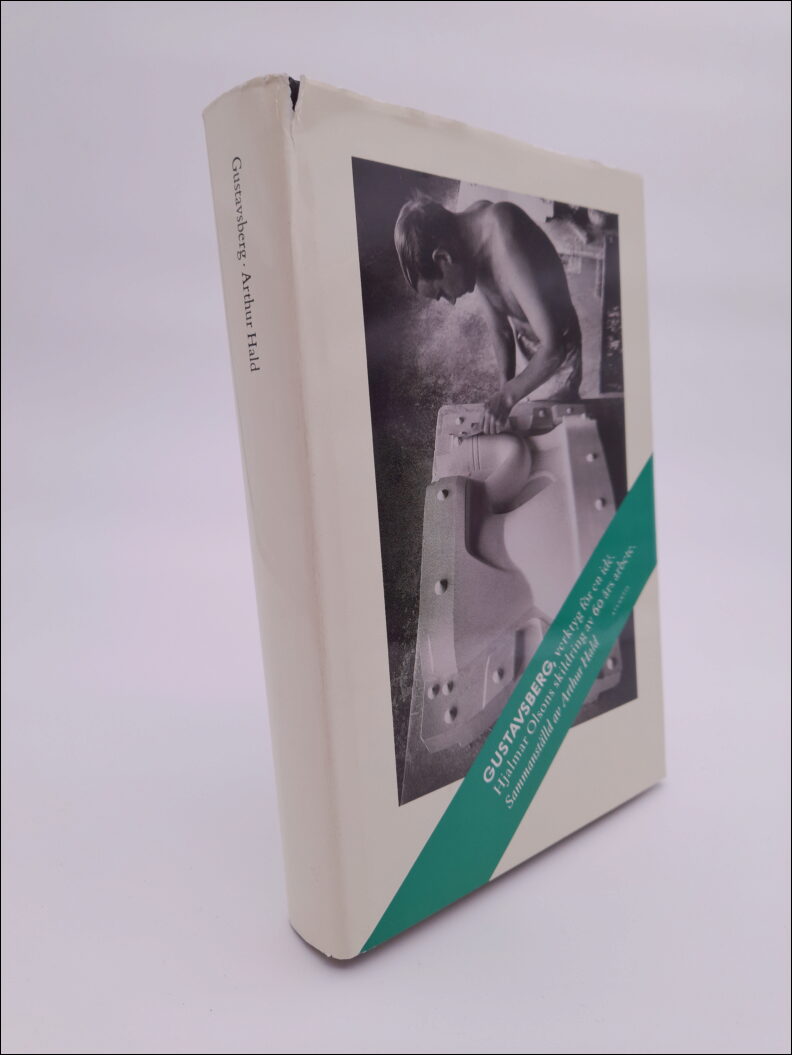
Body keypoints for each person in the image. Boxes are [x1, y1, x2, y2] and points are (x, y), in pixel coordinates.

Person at [394, 193, 583, 433]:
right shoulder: (468, 244)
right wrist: (505, 387)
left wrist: (507, 397)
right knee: (520, 417)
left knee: (554, 431)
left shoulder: (504, 236)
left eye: (441, 292)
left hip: (557, 353)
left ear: (443, 258)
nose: (451, 301)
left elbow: (554, 350)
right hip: (529, 341)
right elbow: (500, 330)